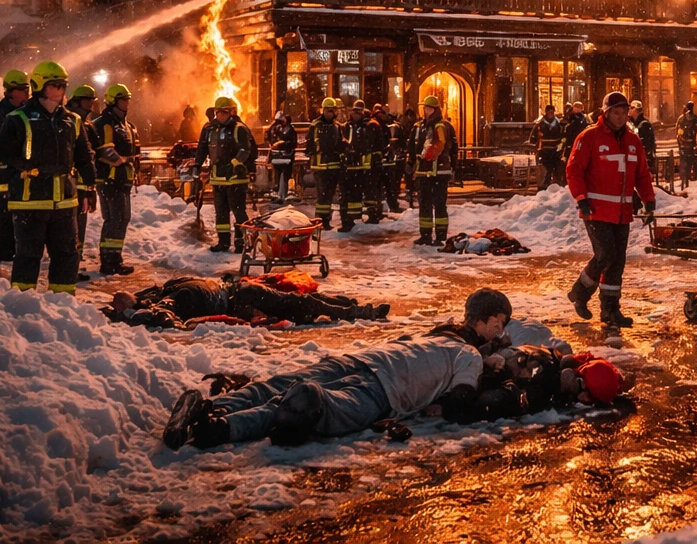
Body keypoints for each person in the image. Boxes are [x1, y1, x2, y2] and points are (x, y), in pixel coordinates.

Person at [162, 288, 514, 450]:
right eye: (500, 323)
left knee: (276, 385)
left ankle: (215, 405)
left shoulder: (433, 335)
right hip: (383, 391)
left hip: (362, 360)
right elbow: (462, 399)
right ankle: (220, 428)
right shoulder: (468, 354)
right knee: (306, 406)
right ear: (489, 320)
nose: (501, 331)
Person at [0, 61, 96, 293]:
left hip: (64, 201)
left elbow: (84, 157)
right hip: (29, 200)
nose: (61, 90)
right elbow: (4, 153)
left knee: (66, 254)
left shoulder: (72, 120)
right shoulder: (17, 118)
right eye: (55, 85)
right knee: (28, 255)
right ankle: (24, 304)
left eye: (63, 85)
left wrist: (88, 188)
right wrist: (29, 168)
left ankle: (63, 301)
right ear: (40, 85)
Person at [565, 91, 656, 328]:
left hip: (622, 211)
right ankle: (581, 292)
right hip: (595, 209)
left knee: (618, 261)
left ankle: (610, 309)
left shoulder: (633, 140)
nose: (621, 117)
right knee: (606, 255)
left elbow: (642, 174)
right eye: (616, 112)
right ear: (606, 113)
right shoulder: (590, 137)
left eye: (624, 112)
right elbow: (574, 170)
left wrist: (649, 200)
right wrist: (581, 198)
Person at [104, 274, 389, 329]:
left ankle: (356, 311)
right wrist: (122, 312)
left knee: (299, 303)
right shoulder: (170, 290)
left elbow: (157, 314)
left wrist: (124, 314)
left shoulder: (170, 294)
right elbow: (154, 312)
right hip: (239, 295)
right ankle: (352, 307)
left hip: (241, 295)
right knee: (297, 302)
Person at [90, 83, 141, 276]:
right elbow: (104, 151)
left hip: (122, 180)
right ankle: (109, 261)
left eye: (127, 99)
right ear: (112, 101)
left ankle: (113, 257)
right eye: (123, 100)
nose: (126, 103)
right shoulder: (104, 123)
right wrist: (124, 161)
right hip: (110, 180)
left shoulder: (126, 125)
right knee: (115, 219)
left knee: (121, 219)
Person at [195, 97, 254, 253]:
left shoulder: (239, 129)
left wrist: (233, 165)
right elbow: (202, 149)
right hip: (218, 178)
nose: (221, 115)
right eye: (218, 112)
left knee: (238, 210)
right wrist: (197, 165)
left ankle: (242, 241)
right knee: (221, 212)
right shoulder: (210, 130)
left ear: (231, 112)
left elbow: (245, 150)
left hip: (235, 179)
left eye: (224, 112)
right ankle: (223, 242)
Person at [409, 94, 455, 245]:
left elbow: (443, 146)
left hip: (439, 172)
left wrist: (427, 158)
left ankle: (441, 235)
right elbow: (412, 147)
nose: (425, 110)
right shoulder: (419, 127)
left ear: (435, 109)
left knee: (440, 204)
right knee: (425, 204)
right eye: (424, 108)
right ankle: (425, 235)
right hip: (423, 173)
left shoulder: (441, 126)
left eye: (428, 108)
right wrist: (411, 163)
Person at [66, 85, 101, 280]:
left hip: (81, 186)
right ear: (78, 101)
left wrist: (90, 187)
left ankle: (73, 267)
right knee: (72, 232)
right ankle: (69, 269)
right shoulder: (69, 122)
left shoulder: (87, 126)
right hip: (69, 187)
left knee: (79, 231)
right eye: (88, 100)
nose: (91, 104)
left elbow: (92, 156)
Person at [0, 69, 31, 269]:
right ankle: (4, 252)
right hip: (2, 175)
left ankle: (12, 249)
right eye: (21, 89)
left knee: (15, 214)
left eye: (27, 88)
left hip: (18, 175)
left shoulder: (25, 113)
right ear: (10, 91)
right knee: (3, 215)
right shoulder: (3, 114)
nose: (26, 93)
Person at [343, 100, 386, 229]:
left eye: (358, 111)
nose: (356, 114)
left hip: (369, 166)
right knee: (353, 194)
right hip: (353, 166)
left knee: (371, 193)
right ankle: (353, 218)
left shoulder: (372, 125)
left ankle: (373, 215)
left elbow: (376, 145)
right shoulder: (348, 126)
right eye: (354, 111)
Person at [307, 98, 344, 228]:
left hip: (334, 166)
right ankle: (320, 221)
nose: (331, 112)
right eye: (329, 110)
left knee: (329, 195)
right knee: (322, 196)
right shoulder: (316, 125)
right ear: (323, 110)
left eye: (333, 110)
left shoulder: (337, 126)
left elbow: (339, 144)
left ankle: (326, 221)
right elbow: (310, 144)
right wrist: (322, 150)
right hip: (320, 166)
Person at [530, 104, 564, 190]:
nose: (550, 113)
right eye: (549, 111)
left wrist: (560, 149)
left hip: (556, 150)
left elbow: (563, 138)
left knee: (556, 169)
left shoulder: (559, 124)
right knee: (545, 169)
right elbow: (533, 138)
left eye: (552, 111)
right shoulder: (540, 124)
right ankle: (544, 186)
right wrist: (535, 147)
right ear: (546, 112)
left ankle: (556, 187)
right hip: (544, 151)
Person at [266, 112, 297, 201]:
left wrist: (282, 143)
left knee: (285, 176)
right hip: (277, 156)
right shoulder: (277, 128)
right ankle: (278, 193)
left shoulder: (290, 130)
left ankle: (283, 194)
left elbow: (293, 143)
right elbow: (271, 137)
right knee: (277, 175)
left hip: (286, 156)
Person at [675, 101, 697, 186]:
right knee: (690, 162)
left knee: (685, 163)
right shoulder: (694, 118)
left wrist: (680, 142)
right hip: (690, 144)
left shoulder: (682, 118)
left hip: (685, 145)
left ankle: (685, 178)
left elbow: (678, 133)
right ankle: (687, 178)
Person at [562, 101, 591, 166]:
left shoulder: (585, 119)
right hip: (571, 144)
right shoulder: (569, 117)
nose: (577, 109)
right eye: (576, 107)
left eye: (579, 107)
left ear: (582, 108)